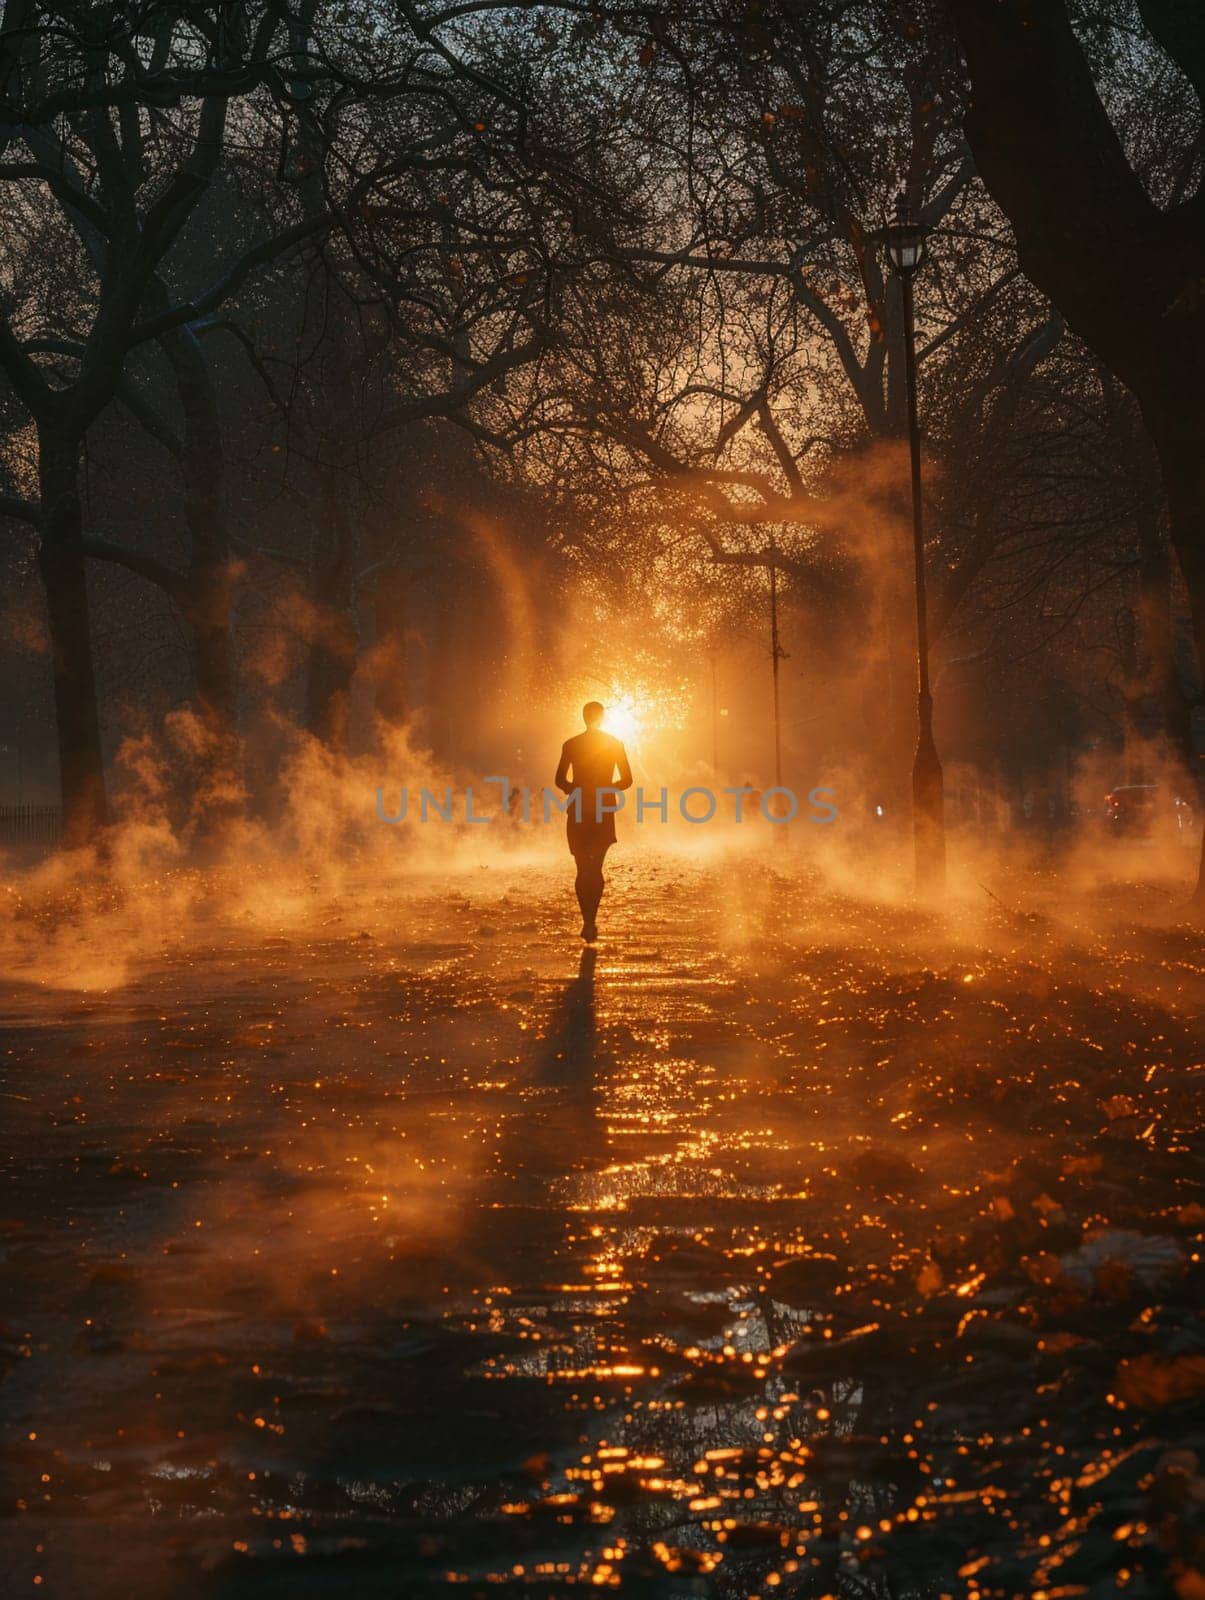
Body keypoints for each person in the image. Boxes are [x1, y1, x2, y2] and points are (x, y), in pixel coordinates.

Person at [554, 702, 633, 942]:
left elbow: (559, 780)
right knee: (596, 869)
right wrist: (607, 789)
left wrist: (575, 789)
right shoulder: (614, 744)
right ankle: (592, 921)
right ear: (603, 718)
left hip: (578, 809)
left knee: (582, 869)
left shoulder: (571, 744)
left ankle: (586, 920)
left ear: (584, 717)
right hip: (602, 809)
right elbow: (627, 779)